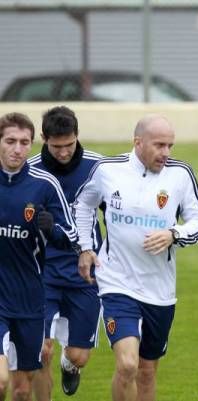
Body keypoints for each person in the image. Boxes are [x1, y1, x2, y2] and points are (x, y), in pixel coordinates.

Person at [74, 114, 198, 401]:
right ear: (138, 142)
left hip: (159, 290)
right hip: (116, 282)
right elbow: (83, 205)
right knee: (127, 365)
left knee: (147, 371)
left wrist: (174, 233)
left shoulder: (180, 174)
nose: (166, 153)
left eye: (170, 145)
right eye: (159, 145)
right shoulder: (108, 170)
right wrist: (85, 247)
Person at [0, 112, 78, 401]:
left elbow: (71, 235)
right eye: (10, 141)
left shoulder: (44, 185)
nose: (17, 149)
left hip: (29, 299)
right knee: (0, 381)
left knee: (21, 389)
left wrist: (53, 229)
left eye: (24, 142)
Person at [28, 106, 103, 400]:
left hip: (84, 272)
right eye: (56, 146)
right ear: (44, 139)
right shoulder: (31, 170)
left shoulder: (98, 167)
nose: (63, 152)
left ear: (77, 136)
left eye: (69, 145)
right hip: (41, 271)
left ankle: (70, 365)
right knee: (40, 350)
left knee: (79, 355)